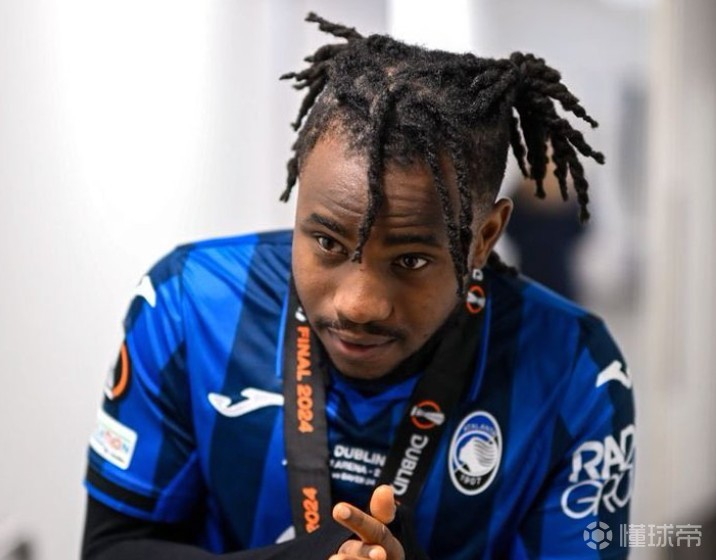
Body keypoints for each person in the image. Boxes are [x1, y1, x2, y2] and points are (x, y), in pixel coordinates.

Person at [81, 13, 634, 560]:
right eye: (327, 243)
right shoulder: (190, 305)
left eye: (411, 260)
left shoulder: (576, 369)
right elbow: (111, 549)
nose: (359, 304)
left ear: (484, 238)